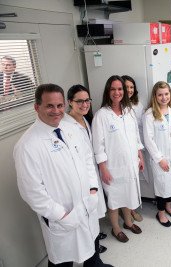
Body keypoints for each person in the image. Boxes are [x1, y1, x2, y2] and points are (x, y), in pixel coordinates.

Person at [14, 84, 111, 266]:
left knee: (91, 244)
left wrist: (92, 189)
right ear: (37, 107)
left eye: (59, 105)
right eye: (50, 106)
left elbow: (87, 160)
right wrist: (61, 216)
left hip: (85, 204)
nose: (56, 111)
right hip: (62, 217)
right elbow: (31, 191)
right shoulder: (27, 145)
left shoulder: (70, 129)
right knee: (63, 259)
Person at [92, 75, 144, 243]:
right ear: (108, 91)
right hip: (112, 167)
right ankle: (116, 228)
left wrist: (140, 156)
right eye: (113, 89)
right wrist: (103, 168)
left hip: (131, 164)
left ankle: (128, 222)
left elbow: (136, 137)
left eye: (120, 89)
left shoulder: (128, 112)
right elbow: (98, 146)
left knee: (129, 194)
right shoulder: (101, 115)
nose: (117, 92)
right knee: (114, 199)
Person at [64, 84, 108, 254]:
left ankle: (94, 240)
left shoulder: (85, 119)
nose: (84, 104)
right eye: (79, 101)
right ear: (70, 102)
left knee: (94, 209)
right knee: (87, 211)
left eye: (87, 100)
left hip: (91, 172)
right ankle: (92, 249)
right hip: (81, 177)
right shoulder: (65, 125)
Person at [143, 81, 171, 227]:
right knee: (162, 187)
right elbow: (148, 140)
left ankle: (168, 206)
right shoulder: (149, 114)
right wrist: (159, 159)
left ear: (170, 94)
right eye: (160, 95)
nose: (164, 97)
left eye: (166, 94)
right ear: (155, 96)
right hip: (159, 158)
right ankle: (160, 213)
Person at [121, 75, 146, 222]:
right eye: (126, 87)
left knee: (134, 180)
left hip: (136, 146)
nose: (129, 90)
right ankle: (128, 210)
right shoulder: (117, 107)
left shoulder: (138, 105)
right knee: (126, 182)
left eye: (131, 87)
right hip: (123, 150)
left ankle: (132, 207)